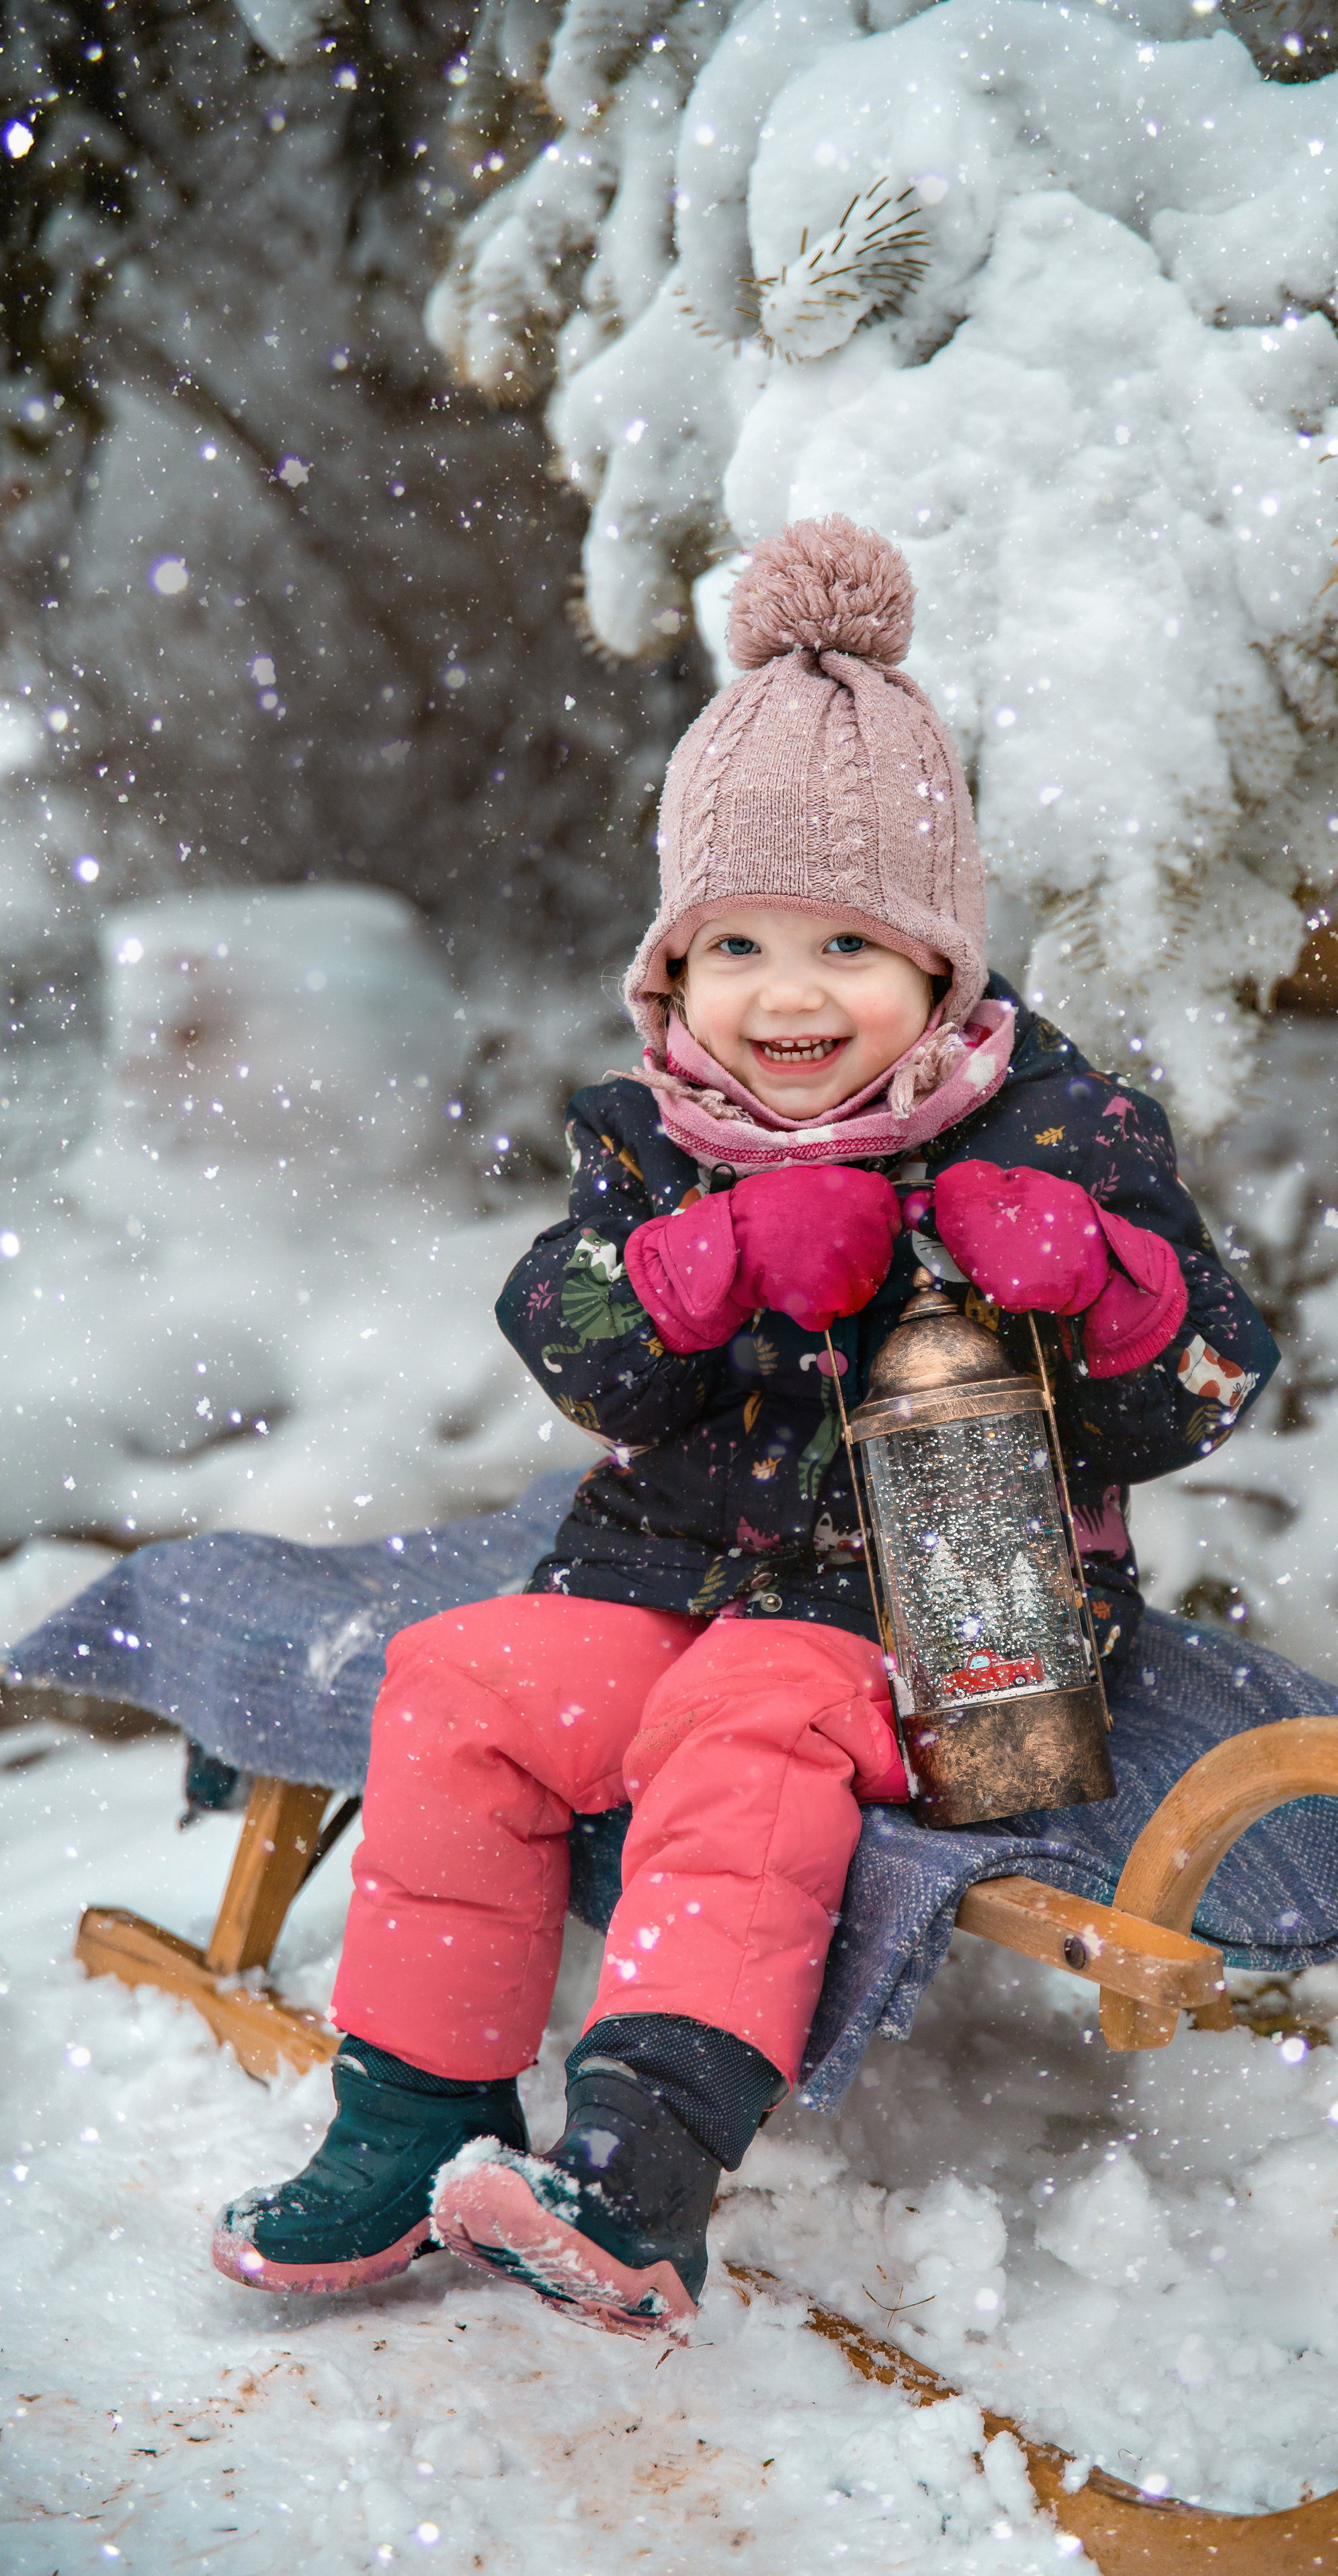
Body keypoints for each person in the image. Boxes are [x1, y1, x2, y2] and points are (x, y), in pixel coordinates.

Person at [212, 517, 1278, 2333]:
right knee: (462, 1680)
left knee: (743, 1712)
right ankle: (411, 2121)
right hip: (666, 1567)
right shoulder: (653, 1139)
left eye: (852, 942)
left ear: (941, 965)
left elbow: (1213, 1380)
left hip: (936, 1621)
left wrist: (1104, 1283)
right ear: (672, 972)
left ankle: (637, 2171)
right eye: (741, 947)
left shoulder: (1052, 1127)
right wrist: (698, 1267)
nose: (790, 998)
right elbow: (569, 1333)